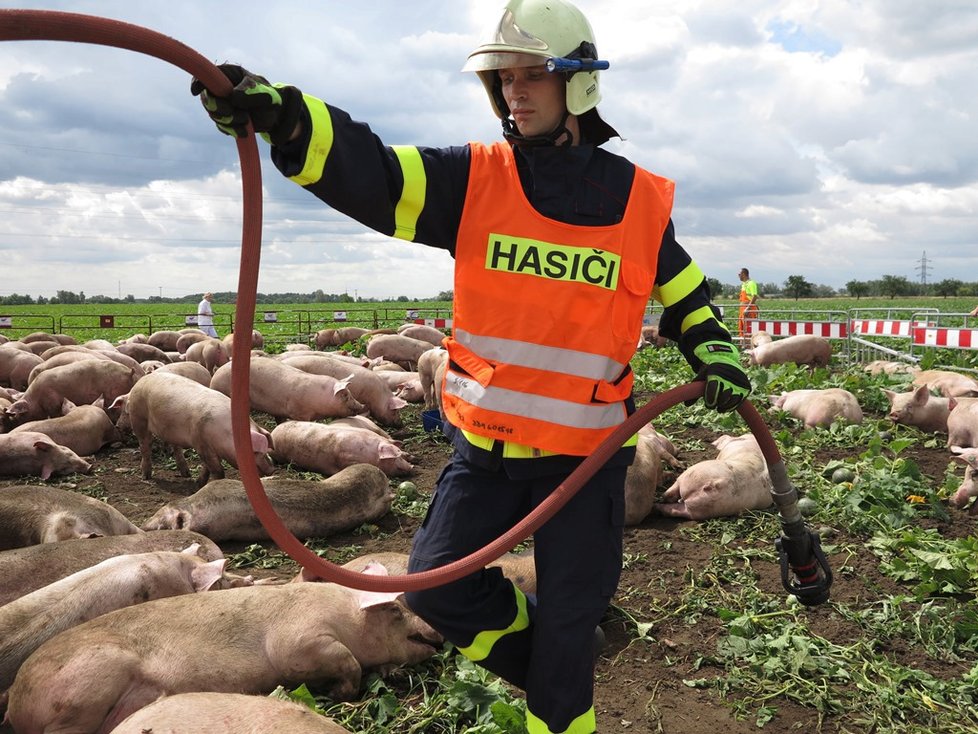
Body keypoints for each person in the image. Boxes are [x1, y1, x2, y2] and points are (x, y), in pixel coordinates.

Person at [192, 2, 751, 731]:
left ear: (576, 82)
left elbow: (683, 290)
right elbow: (378, 175)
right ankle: (556, 666)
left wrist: (711, 344)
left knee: (570, 620)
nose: (514, 92)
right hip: (484, 451)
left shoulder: (637, 199)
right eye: (503, 78)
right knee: (436, 593)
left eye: (532, 76)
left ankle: (560, 695)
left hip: (586, 462)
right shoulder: (473, 180)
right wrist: (288, 119)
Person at [737, 267, 759, 340]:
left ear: (743, 274)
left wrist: (748, 308)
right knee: (742, 328)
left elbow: (754, 296)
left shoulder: (751, 283)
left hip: (748, 309)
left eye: (739, 274)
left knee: (749, 328)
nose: (738, 275)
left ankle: (750, 346)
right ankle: (743, 345)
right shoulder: (743, 284)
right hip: (742, 309)